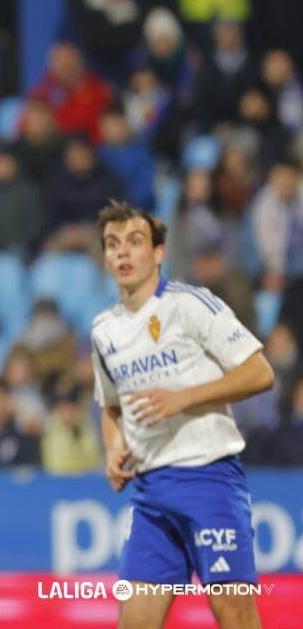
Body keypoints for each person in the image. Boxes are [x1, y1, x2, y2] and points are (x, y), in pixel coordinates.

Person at [91, 200, 275, 629]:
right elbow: (111, 404)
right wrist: (113, 448)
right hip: (151, 493)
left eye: (134, 242)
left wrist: (184, 397)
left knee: (234, 613)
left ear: (158, 253)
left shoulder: (191, 304)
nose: (122, 252)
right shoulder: (104, 329)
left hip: (209, 479)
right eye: (112, 244)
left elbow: (259, 372)